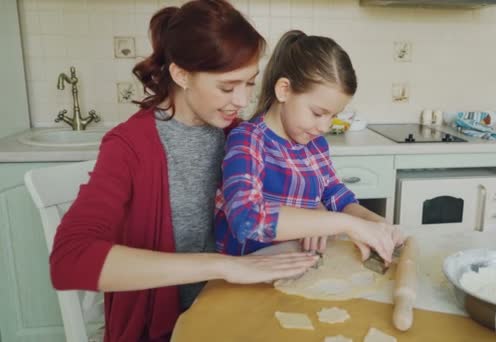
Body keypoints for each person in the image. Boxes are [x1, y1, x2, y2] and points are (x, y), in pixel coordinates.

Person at [49, 2, 320, 341]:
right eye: (227, 86)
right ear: (180, 75)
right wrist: (222, 265)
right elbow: (69, 260)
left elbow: (283, 193)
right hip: (166, 327)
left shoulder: (240, 135)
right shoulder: (128, 147)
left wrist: (320, 212)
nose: (241, 100)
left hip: (233, 308)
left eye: (249, 83)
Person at [215, 30, 401, 262]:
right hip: (245, 272)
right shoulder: (248, 139)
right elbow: (247, 219)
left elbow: (339, 198)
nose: (324, 126)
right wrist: (343, 224)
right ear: (284, 90)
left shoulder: (315, 145)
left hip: (293, 263)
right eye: (318, 113)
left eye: (333, 115)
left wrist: (379, 225)